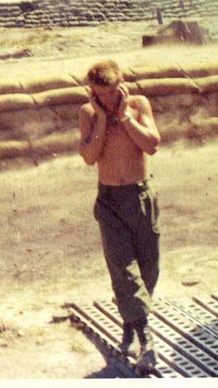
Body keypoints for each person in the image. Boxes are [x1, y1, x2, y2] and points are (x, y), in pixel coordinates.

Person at [79, 60, 162, 374]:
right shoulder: (89, 114)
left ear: (121, 86)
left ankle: (130, 322)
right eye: (99, 94)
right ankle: (146, 340)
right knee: (124, 271)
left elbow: (151, 145)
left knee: (149, 268)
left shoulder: (138, 105)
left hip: (142, 198)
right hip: (111, 202)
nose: (106, 99)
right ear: (92, 92)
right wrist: (101, 118)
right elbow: (89, 156)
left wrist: (125, 116)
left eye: (111, 93)